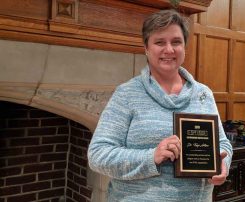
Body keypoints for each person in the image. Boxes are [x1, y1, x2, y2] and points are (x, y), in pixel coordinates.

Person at [88, 9, 233, 202]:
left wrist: (223, 163)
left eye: (176, 42)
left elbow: (222, 144)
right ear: (146, 48)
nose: (169, 49)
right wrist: (151, 157)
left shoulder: (203, 94)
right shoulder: (127, 94)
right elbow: (98, 155)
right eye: (159, 42)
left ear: (184, 47)